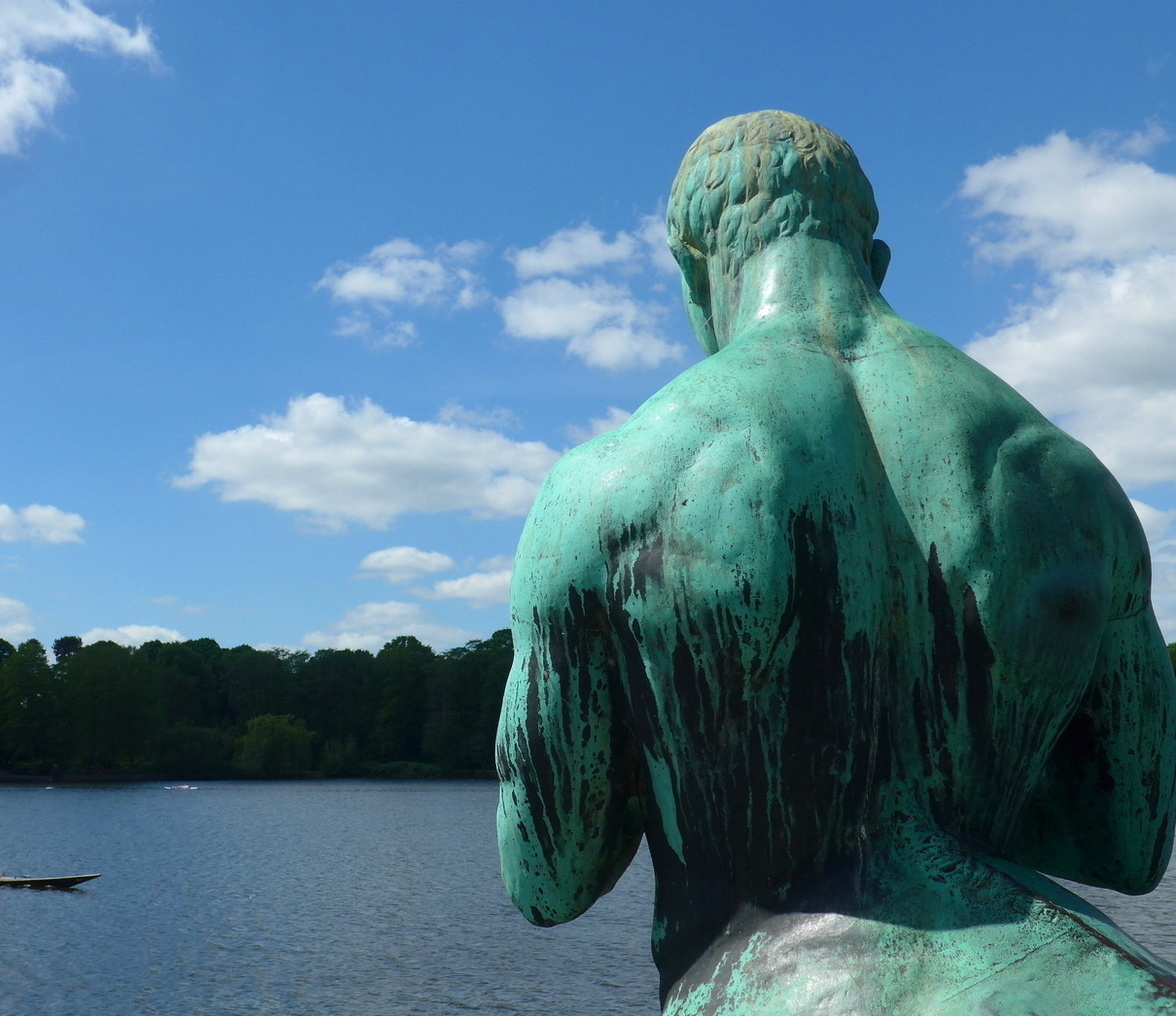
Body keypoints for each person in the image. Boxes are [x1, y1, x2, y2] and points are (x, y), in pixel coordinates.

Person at [497, 111, 1176, 1014]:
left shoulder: (601, 490)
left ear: (695, 274)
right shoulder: (1070, 483)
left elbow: (547, 878)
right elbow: (1129, 844)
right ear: (876, 260)